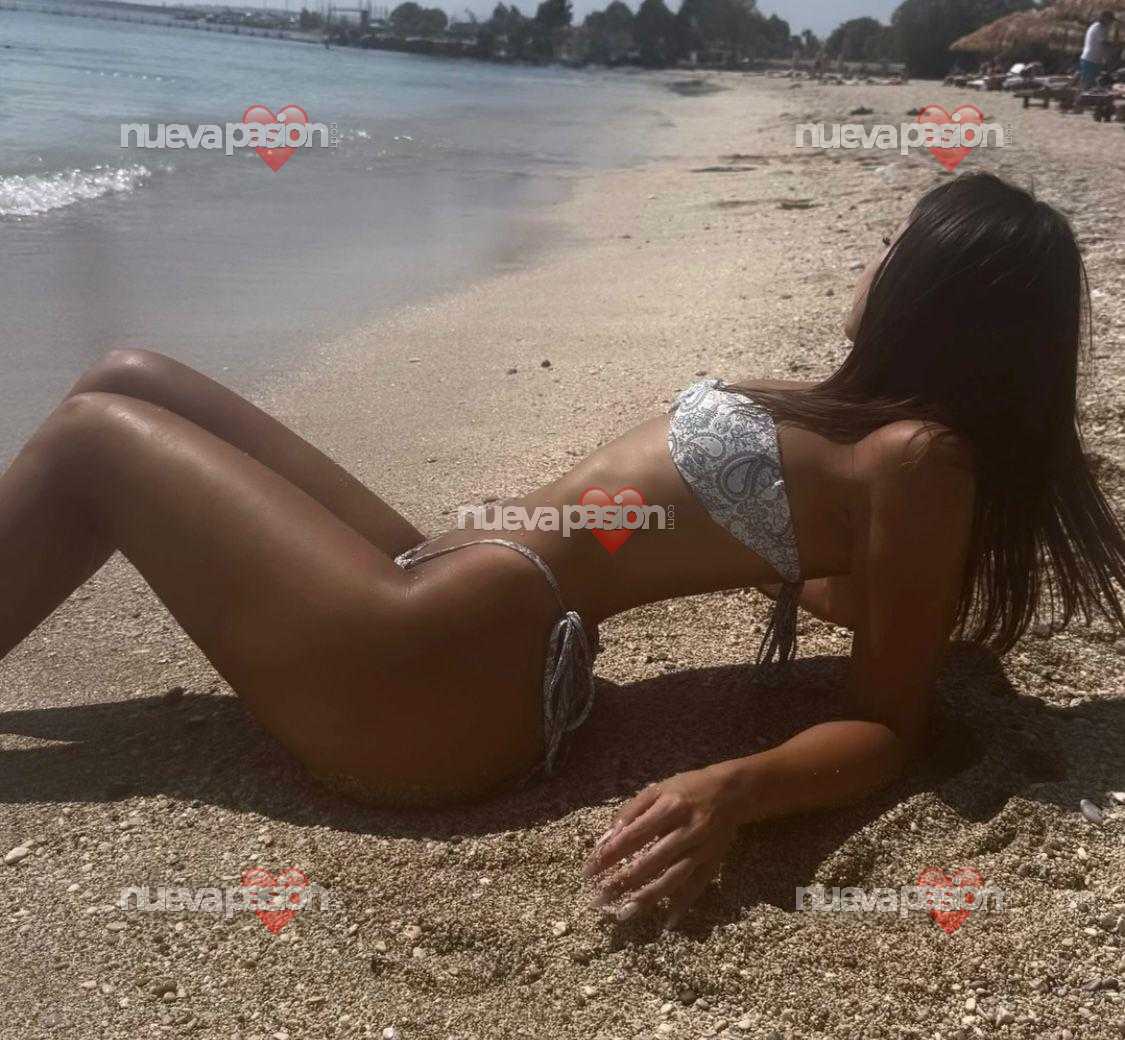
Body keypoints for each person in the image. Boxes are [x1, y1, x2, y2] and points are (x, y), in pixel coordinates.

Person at [2, 174, 1124, 928]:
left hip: (430, 675)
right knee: (129, 375)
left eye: (895, 242)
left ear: (934, 289)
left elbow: (889, 722)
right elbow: (848, 589)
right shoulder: (874, 433)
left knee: (96, 441)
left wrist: (734, 791)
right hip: (436, 597)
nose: (872, 256)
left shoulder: (918, 456)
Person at [1080, 10, 1116, 88]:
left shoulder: (1101, 27)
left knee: (1092, 85)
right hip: (1091, 59)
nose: (1111, 22)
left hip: (1095, 59)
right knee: (1088, 85)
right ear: (1105, 18)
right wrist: (1115, 45)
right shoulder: (1099, 28)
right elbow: (1103, 42)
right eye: (1110, 20)